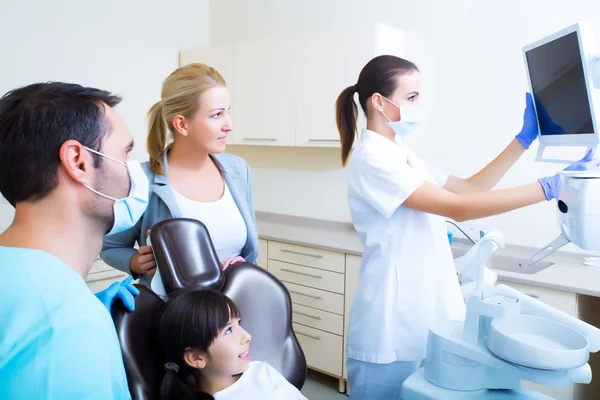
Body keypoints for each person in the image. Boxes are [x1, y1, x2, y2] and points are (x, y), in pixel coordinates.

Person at [335, 55, 600, 399]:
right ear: (379, 102)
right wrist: (551, 187)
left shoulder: (403, 153)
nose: (420, 105)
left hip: (423, 316)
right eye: (411, 97)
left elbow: (472, 189)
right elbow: (458, 208)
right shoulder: (373, 159)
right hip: (390, 324)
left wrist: (523, 140)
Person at [0, 82, 147, 398]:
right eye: (126, 152)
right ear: (79, 162)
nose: (135, 170)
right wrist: (80, 330)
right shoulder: (66, 326)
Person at [101, 63, 258, 287]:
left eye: (228, 111)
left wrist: (243, 267)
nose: (228, 125)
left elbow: (250, 252)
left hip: (233, 313)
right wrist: (136, 262)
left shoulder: (238, 170)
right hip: (174, 316)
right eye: (216, 115)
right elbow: (111, 247)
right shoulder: (141, 181)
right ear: (182, 124)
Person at [156, 288, 307, 400]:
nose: (247, 336)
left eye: (239, 323)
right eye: (228, 330)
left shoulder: (261, 369)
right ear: (196, 357)